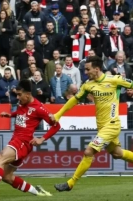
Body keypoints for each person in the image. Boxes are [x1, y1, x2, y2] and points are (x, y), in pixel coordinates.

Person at [53, 56, 133, 192]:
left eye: (88, 69)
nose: (86, 72)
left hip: (112, 124)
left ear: (97, 69)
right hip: (102, 127)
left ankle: (70, 183)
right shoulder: (88, 85)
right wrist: (58, 115)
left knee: (88, 151)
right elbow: (74, 100)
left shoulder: (114, 80)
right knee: (117, 153)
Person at [0, 79, 61, 198]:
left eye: (20, 95)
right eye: (17, 94)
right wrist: (11, 114)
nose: (18, 97)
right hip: (17, 140)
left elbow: (56, 126)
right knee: (7, 176)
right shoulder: (22, 103)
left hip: (23, 142)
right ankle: (37, 191)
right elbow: (23, 113)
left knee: (1, 158)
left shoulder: (39, 108)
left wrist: (42, 139)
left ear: (28, 94)